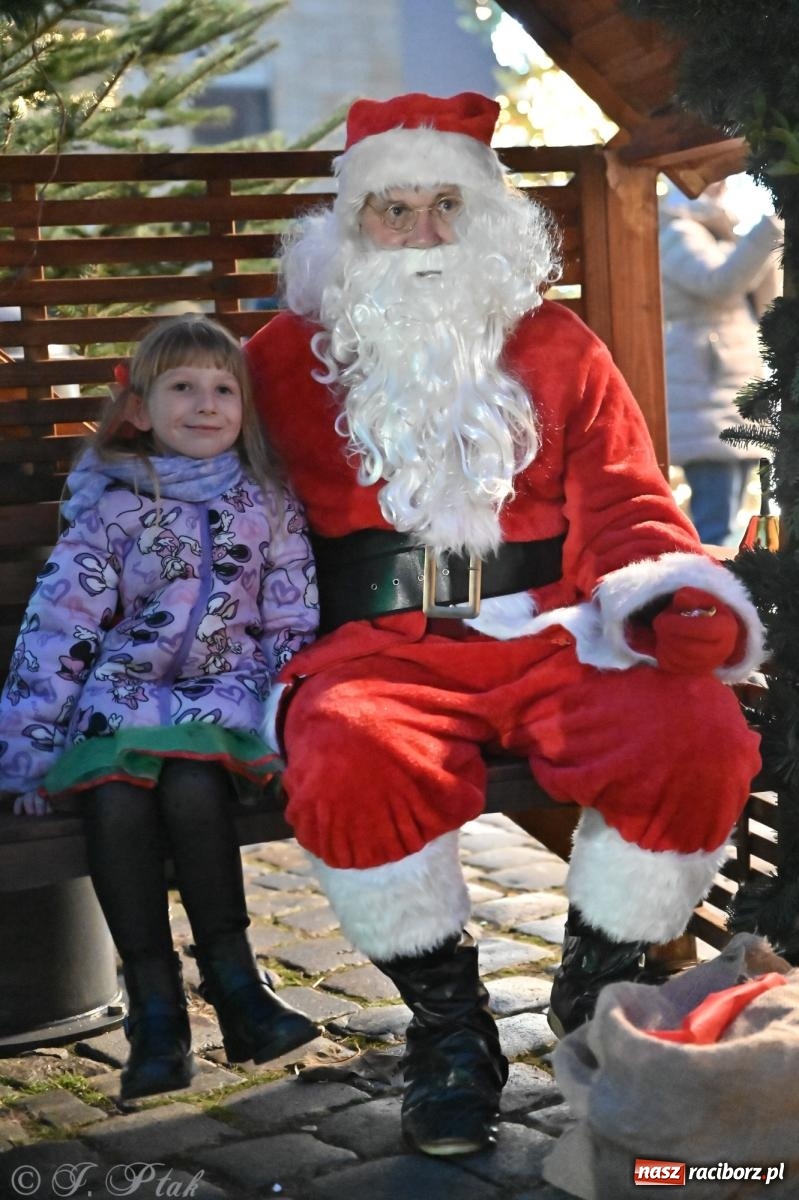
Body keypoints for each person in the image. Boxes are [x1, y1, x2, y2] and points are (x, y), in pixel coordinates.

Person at [245, 92, 764, 1156]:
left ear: (487, 217)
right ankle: (449, 1035)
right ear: (353, 225)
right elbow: (200, 485)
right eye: (394, 210)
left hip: (561, 627)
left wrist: (668, 594)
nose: (423, 234)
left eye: (446, 205)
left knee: (695, 732)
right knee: (346, 756)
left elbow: (626, 497)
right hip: (378, 647)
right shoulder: (279, 359)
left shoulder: (559, 344)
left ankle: (596, 983)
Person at [0, 315, 320, 1101]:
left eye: (223, 389)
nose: (205, 403)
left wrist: (288, 725)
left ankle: (238, 989)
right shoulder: (112, 506)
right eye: (183, 386)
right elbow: (60, 628)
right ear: (140, 408)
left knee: (192, 786)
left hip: (224, 702)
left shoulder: (267, 504)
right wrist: (31, 752)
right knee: (114, 800)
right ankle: (153, 1009)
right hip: (124, 703)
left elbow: (292, 622)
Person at [659, 179, 782, 545]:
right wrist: (770, 230)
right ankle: (709, 599)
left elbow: (766, 305)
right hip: (708, 393)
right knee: (717, 530)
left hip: (734, 389)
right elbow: (719, 283)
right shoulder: (675, 229)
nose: (717, 183)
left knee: (731, 523)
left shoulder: (718, 232)